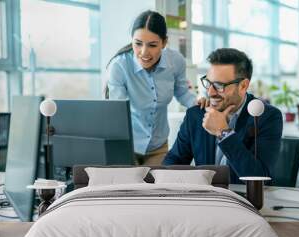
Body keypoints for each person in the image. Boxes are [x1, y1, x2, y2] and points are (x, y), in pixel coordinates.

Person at [163, 48, 283, 184]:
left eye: (219, 85)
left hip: (244, 201)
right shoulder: (196, 115)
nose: (211, 92)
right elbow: (171, 164)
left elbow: (258, 178)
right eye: (208, 83)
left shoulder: (266, 116)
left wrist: (223, 133)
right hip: (206, 199)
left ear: (243, 86)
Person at [107, 10, 206, 165]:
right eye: (138, 44)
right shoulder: (119, 66)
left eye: (152, 45)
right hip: (126, 145)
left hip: (158, 146)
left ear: (164, 43)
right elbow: (118, 112)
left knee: (158, 188)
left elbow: (182, 92)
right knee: (130, 189)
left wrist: (197, 102)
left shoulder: (176, 61)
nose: (144, 52)